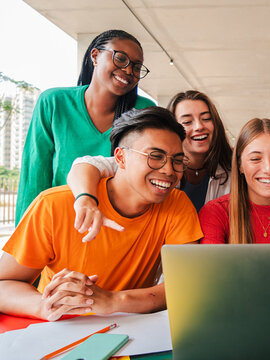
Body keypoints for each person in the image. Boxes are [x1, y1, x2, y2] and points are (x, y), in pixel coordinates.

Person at [0, 106, 202, 321]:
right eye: (155, 156)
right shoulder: (53, 205)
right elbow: (4, 284)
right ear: (120, 158)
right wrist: (45, 305)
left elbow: (184, 285)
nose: (169, 170)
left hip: (133, 331)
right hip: (61, 328)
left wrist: (114, 301)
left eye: (178, 160)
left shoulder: (177, 204)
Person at [15, 29, 154, 223]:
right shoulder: (54, 102)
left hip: (118, 225)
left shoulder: (144, 110)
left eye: (137, 67)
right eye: (121, 59)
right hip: (58, 222)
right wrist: (23, 233)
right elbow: (35, 174)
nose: (129, 70)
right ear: (95, 56)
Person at [67, 90, 232, 241]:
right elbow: (85, 164)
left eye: (206, 118)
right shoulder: (140, 162)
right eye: (187, 121)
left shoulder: (232, 169)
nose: (199, 127)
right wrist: (85, 199)